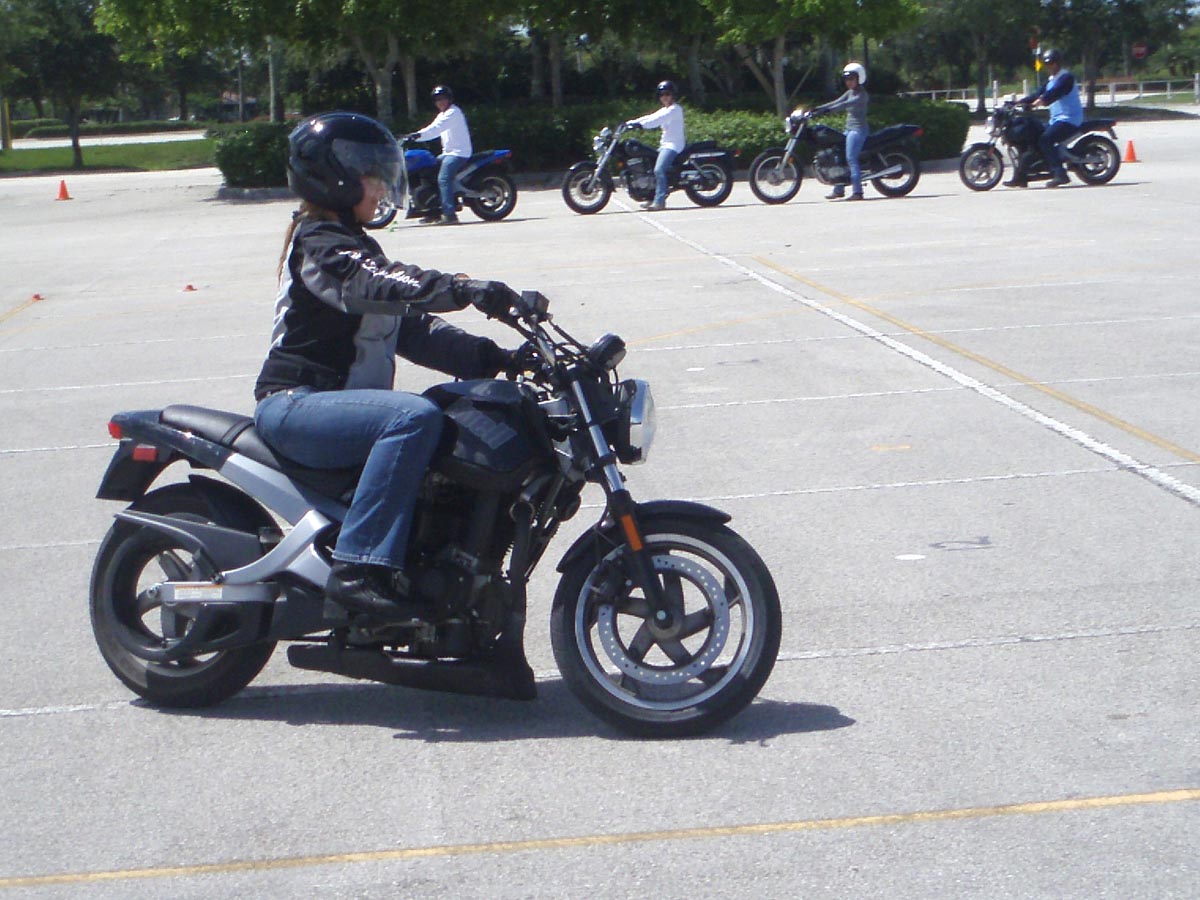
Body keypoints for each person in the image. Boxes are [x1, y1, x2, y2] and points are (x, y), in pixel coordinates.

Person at [255, 111, 526, 621]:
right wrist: (461, 288)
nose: (381, 186)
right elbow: (375, 281)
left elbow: (416, 333)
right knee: (412, 416)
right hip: (294, 404)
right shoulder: (321, 244)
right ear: (333, 177)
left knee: (451, 412)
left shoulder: (357, 245)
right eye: (370, 175)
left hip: (331, 408)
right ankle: (356, 571)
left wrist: (499, 358)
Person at [1009, 48, 1083, 188]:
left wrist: (1040, 102)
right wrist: (1018, 103)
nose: (1049, 67)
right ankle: (1021, 177)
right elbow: (1037, 95)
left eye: (1052, 63)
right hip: (1056, 120)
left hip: (1070, 119)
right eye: (1047, 64)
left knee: (1045, 139)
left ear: (1058, 63)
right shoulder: (1050, 80)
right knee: (1034, 138)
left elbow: (1055, 93)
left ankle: (1060, 174)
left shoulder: (1066, 78)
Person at [406, 85, 472, 224]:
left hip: (459, 153)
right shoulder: (442, 114)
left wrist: (418, 136)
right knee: (427, 172)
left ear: (449, 99)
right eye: (437, 99)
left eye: (443, 98)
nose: (440, 102)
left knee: (443, 179)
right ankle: (433, 212)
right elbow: (431, 127)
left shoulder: (453, 113)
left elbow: (436, 129)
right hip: (447, 153)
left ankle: (450, 215)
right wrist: (413, 135)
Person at [809, 63, 870, 201]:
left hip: (858, 131)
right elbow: (836, 102)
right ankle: (838, 189)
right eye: (847, 79)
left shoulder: (862, 95)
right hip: (848, 130)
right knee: (838, 156)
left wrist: (827, 111)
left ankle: (858, 192)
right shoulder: (850, 92)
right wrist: (816, 109)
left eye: (851, 78)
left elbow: (844, 105)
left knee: (851, 158)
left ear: (859, 78)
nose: (848, 82)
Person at [625, 80, 686, 211]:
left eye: (667, 94)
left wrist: (640, 125)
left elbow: (656, 121)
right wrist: (629, 123)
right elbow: (650, 117)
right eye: (662, 94)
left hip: (673, 145)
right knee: (650, 167)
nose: (664, 97)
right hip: (664, 145)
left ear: (673, 95)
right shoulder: (665, 109)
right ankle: (651, 197)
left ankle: (659, 202)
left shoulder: (675, 109)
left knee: (659, 170)